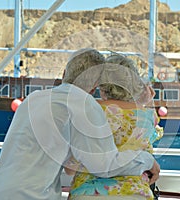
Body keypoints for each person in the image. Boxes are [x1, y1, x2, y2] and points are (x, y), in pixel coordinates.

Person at [0, 48, 160, 200]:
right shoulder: (83, 105)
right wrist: (147, 160)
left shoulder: (33, 100)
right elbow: (104, 165)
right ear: (94, 86)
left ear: (64, 74)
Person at [66, 54, 163, 200]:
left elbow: (70, 168)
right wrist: (144, 103)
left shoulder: (89, 112)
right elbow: (152, 139)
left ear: (101, 86)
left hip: (87, 193)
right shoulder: (148, 116)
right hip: (135, 194)